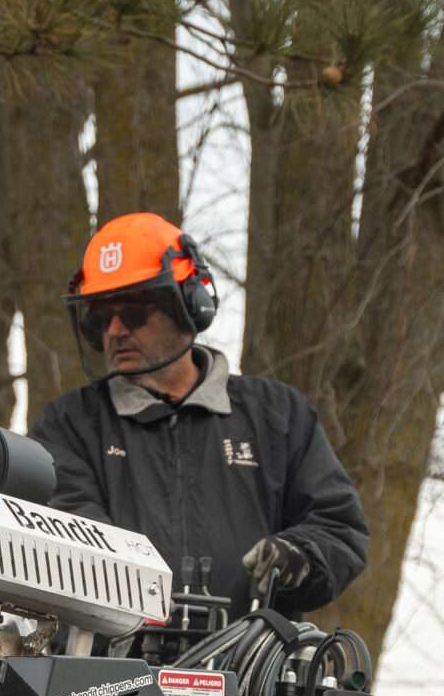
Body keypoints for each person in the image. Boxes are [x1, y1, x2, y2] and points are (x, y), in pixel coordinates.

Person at [29, 212, 368, 619]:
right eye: (100, 318)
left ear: (190, 304)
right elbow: (66, 533)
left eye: (133, 314)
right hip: (111, 670)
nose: (115, 331)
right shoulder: (69, 426)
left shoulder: (277, 415)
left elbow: (338, 525)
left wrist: (299, 559)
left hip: (250, 670)